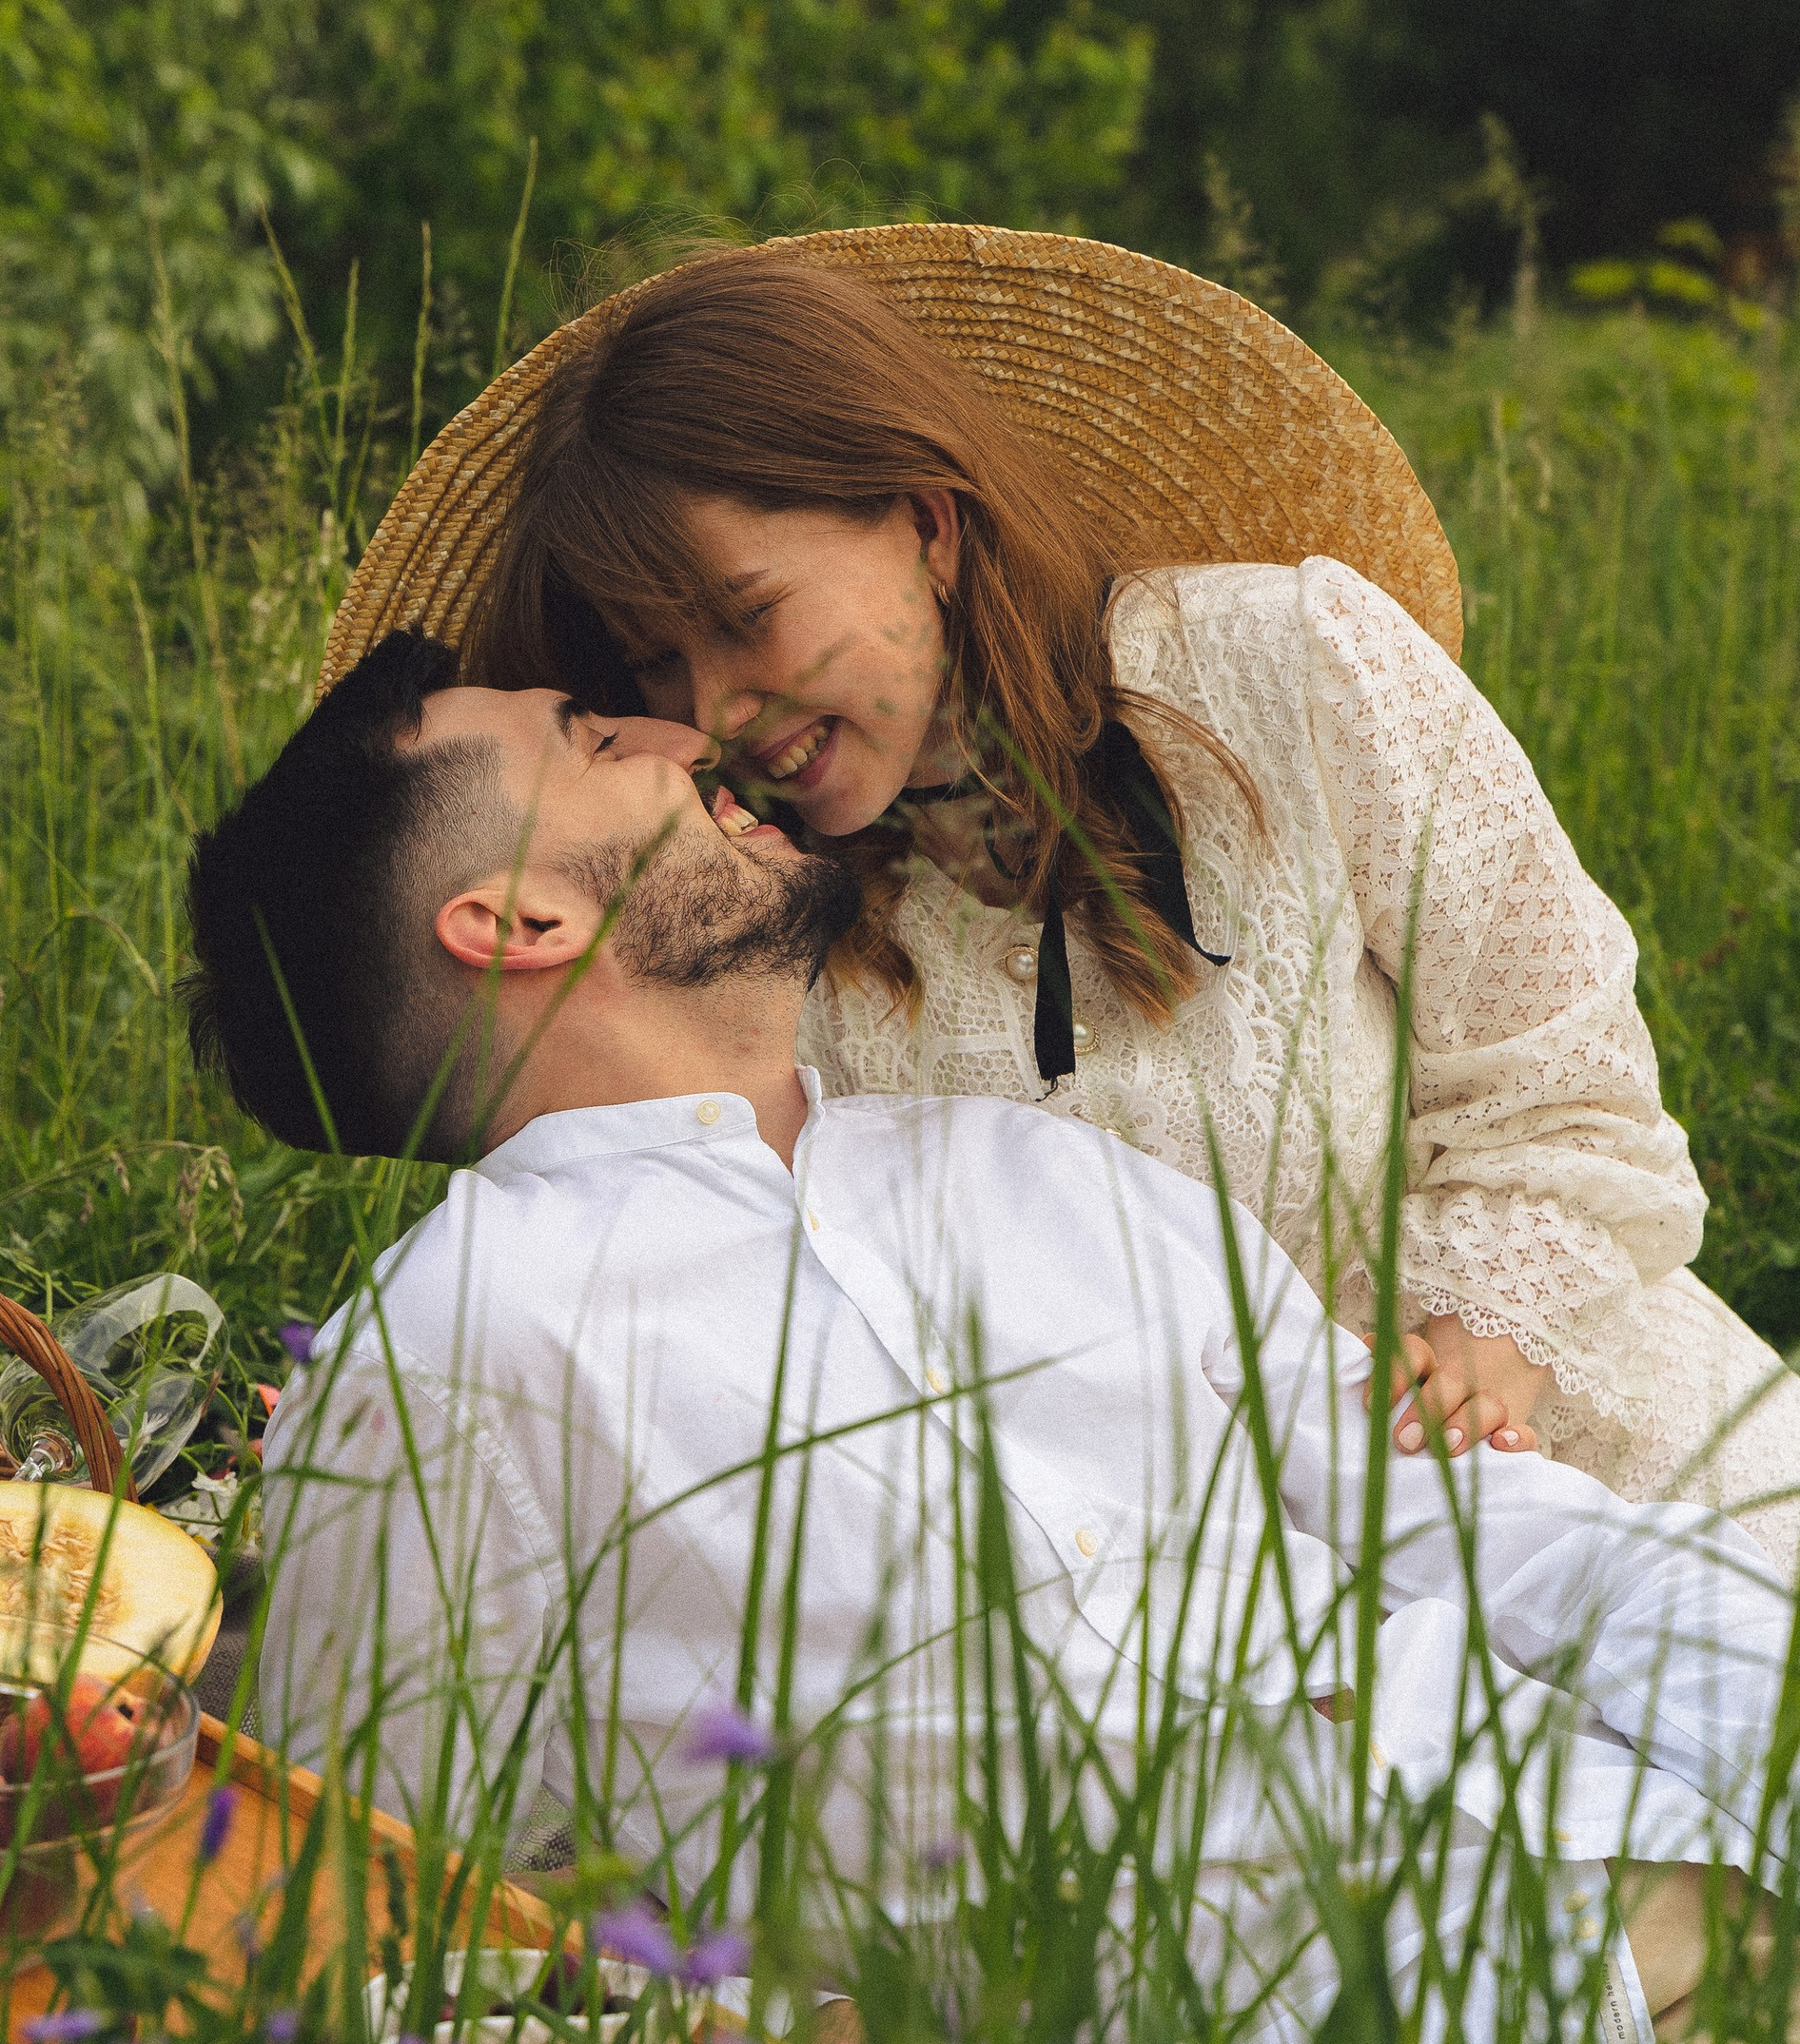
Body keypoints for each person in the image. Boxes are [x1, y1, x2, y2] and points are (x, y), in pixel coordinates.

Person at [186, 632, 1796, 2042]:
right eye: (606, 744)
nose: (690, 740)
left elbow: (1471, 1521)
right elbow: (358, 1893)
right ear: (519, 919)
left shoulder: (1026, 1167)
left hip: (1643, 1857)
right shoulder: (450, 1344)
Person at [316, 224, 1800, 1568]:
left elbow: (1566, 1095)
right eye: (652, 665)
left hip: (1602, 1463)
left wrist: (1480, 1339)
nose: (712, 706)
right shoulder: (742, 929)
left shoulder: (1292, 668)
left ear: (926, 522)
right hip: (1199, 1636)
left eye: (744, 615)